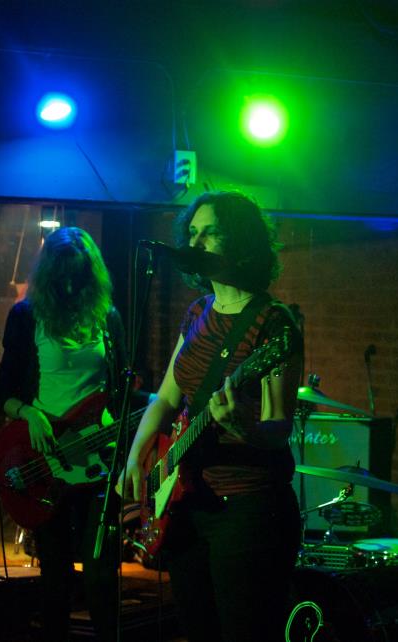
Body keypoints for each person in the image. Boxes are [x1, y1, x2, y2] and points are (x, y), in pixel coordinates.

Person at [118, 191, 303, 642]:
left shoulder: (273, 324)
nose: (196, 242)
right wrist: (136, 455)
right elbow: (166, 398)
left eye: (210, 233)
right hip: (188, 503)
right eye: (192, 233)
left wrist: (243, 428)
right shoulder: (198, 311)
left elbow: (279, 428)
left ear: (241, 242)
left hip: (246, 509)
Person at [0, 226, 126, 641]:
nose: (69, 284)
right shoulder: (26, 316)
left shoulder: (108, 317)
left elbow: (122, 389)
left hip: (98, 459)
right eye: (62, 274)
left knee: (102, 573)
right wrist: (30, 414)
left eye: (77, 274)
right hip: (47, 459)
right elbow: (3, 393)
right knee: (55, 575)